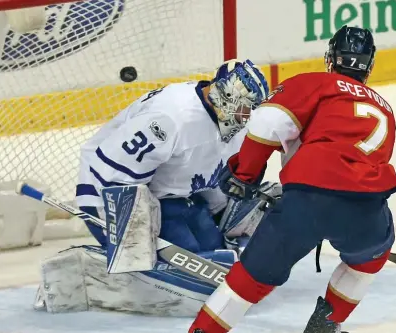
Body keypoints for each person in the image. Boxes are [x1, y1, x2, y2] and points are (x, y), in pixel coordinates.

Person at [160, 25, 396, 333]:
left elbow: (268, 123)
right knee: (370, 258)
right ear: (369, 66)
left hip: (307, 199)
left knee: (251, 277)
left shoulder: (313, 82)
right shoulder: (386, 109)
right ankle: (323, 331)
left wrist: (245, 175)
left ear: (331, 59)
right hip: (366, 208)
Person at [33, 59, 273, 316]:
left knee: (213, 262)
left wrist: (227, 212)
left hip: (177, 197)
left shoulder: (230, 121)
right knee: (183, 269)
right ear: (225, 95)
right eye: (243, 110)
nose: (245, 118)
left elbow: (217, 175)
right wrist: (130, 232)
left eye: (251, 111)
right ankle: (84, 270)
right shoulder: (170, 117)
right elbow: (113, 174)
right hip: (113, 192)